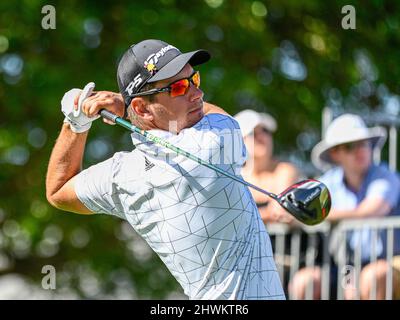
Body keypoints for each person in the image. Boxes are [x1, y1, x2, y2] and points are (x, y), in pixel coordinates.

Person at [46, 39, 285, 300]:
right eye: (179, 87)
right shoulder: (214, 144)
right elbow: (217, 115)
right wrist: (124, 106)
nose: (197, 94)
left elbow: (57, 190)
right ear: (141, 108)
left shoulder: (121, 176)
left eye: (195, 79)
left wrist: (76, 123)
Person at [289, 114, 400, 300]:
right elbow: (295, 209)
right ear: (335, 153)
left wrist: (317, 214)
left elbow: (371, 211)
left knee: (374, 276)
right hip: (345, 268)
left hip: (389, 262)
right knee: (304, 282)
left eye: (364, 143)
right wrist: (285, 212)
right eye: (350, 146)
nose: (360, 150)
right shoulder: (328, 182)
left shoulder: (385, 176)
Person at [234, 110, 300, 224]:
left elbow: (279, 210)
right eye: (253, 132)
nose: (261, 136)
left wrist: (243, 216)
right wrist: (267, 213)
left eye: (265, 130)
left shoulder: (284, 170)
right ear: (240, 141)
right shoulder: (236, 176)